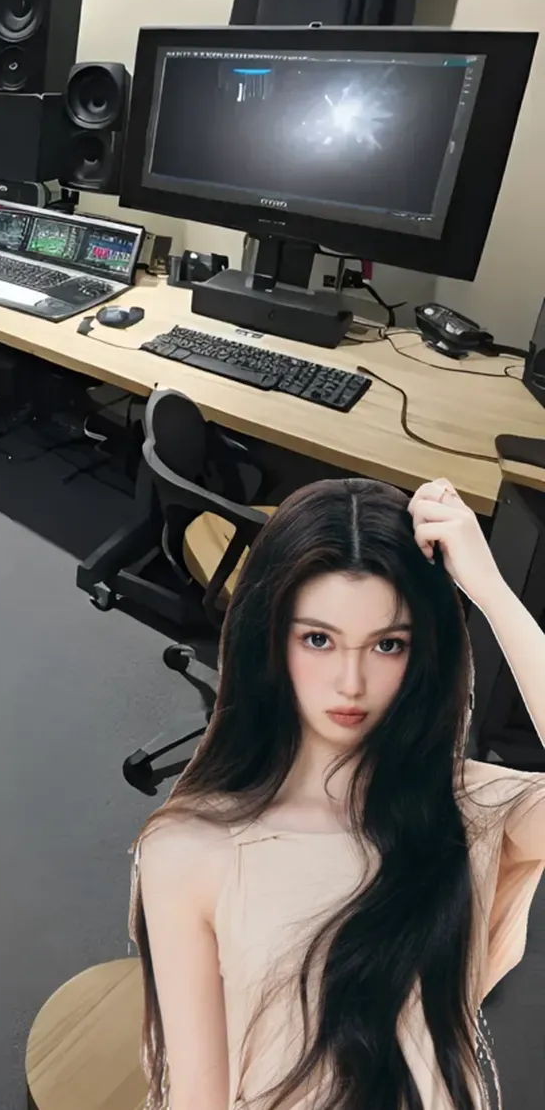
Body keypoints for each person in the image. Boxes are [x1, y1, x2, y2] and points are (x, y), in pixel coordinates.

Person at [129, 475, 545, 1110]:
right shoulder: (190, 847)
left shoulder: (473, 811)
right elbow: (198, 1097)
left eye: (387, 644)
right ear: (270, 640)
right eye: (318, 639)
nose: (351, 683)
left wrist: (491, 591)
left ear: (422, 652)